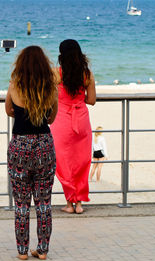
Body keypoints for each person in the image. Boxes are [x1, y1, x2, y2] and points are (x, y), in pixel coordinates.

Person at [5, 46, 58, 260]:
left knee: (21, 203)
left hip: (20, 146)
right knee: (44, 201)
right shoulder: (50, 87)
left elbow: (8, 110)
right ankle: (43, 250)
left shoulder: (14, 85)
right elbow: (52, 118)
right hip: (44, 144)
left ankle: (22, 251)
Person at [50, 39, 96, 215]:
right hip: (82, 119)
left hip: (61, 120)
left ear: (61, 55)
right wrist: (77, 100)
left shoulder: (56, 73)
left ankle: (69, 203)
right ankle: (79, 204)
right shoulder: (87, 74)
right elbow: (91, 100)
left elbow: (51, 96)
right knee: (82, 161)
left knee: (63, 162)